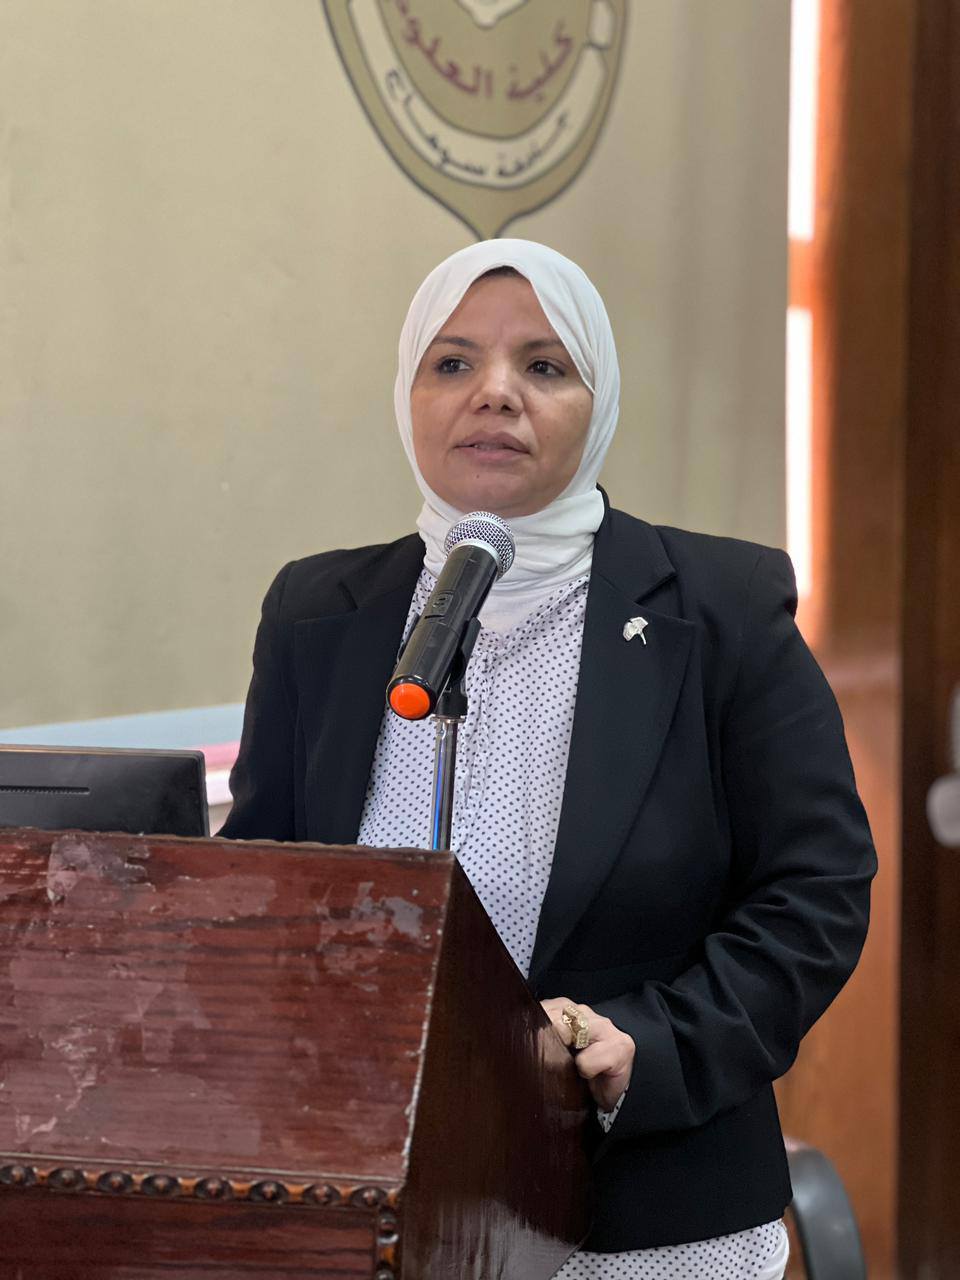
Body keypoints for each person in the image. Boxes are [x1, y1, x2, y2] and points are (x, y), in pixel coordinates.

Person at [221, 239, 876, 1278]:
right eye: (452, 362)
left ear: (597, 398)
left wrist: (653, 1046)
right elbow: (262, 887)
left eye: (543, 365)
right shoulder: (317, 612)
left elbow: (817, 890)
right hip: (373, 1195)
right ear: (408, 393)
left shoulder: (721, 609)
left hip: (648, 1204)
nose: (494, 393)